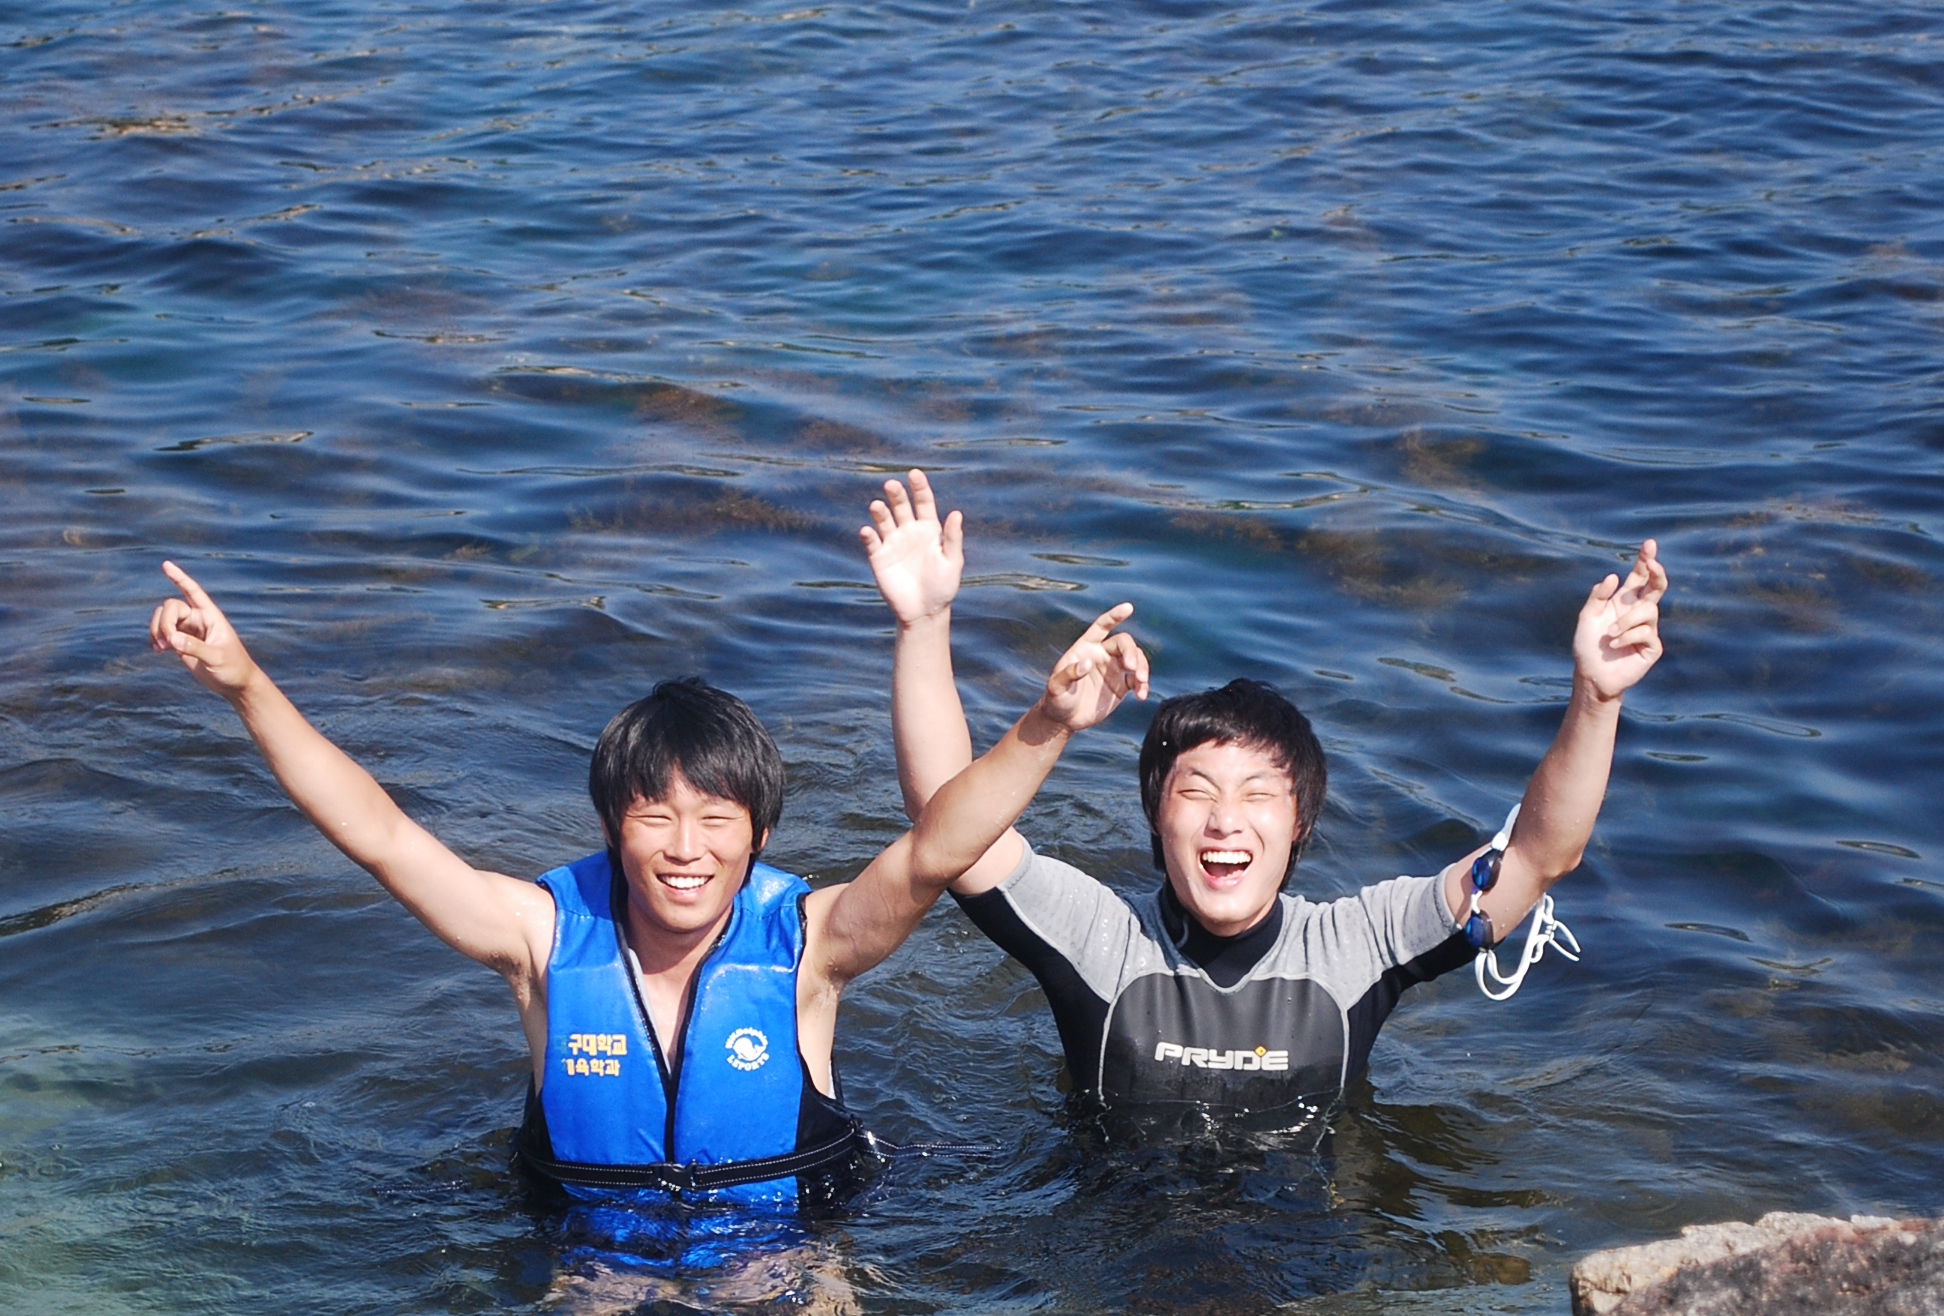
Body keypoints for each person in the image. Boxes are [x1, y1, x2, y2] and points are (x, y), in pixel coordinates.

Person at [146, 559, 1149, 1220]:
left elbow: (936, 849)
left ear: (759, 836)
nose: (685, 849)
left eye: (716, 820)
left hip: (786, 1252)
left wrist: (1047, 725)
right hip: (592, 1258)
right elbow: (381, 836)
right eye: (654, 816)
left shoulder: (812, 944)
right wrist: (247, 686)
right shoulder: (540, 939)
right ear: (609, 827)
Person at [861, 471, 1668, 1142]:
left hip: (1300, 1261)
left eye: (1258, 796)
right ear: (1156, 819)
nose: (1225, 821)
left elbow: (1537, 857)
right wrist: (928, 627)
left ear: (1299, 825)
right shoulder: (1102, 941)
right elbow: (946, 827)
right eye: (1196, 792)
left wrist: (1596, 699)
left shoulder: (1355, 947)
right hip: (1115, 1241)